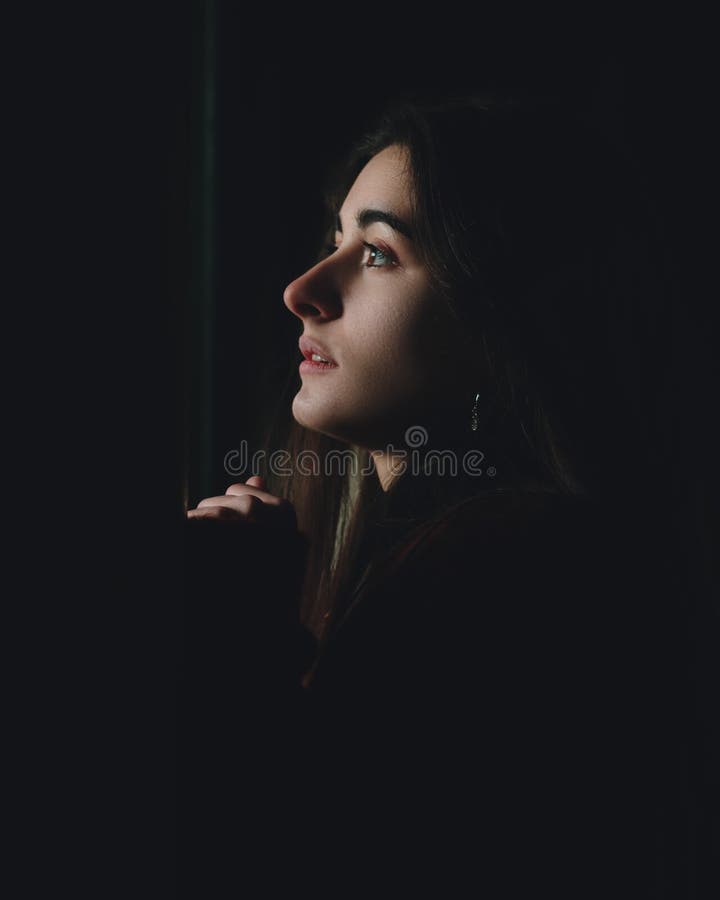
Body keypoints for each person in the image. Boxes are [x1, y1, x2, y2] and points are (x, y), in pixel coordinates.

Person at [180, 92, 679, 895]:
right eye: (333, 240)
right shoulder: (392, 555)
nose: (303, 288)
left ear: (501, 320)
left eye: (378, 253)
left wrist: (237, 642)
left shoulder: (527, 579)